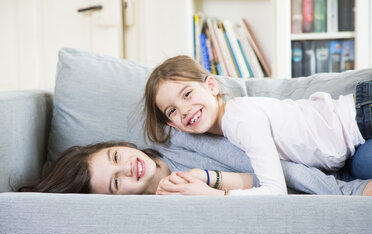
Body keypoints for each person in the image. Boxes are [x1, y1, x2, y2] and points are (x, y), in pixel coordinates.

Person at [144, 55, 372, 195]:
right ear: (172, 124)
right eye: (172, 110)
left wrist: (209, 193)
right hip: (355, 145)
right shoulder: (228, 131)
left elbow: (275, 191)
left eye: (187, 94)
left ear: (211, 86)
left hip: (361, 115)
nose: (184, 110)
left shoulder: (240, 119)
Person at [18, 141, 253, 196]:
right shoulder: (165, 206)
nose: (127, 168)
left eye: (116, 156)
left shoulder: (178, 140)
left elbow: (268, 179)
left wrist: (207, 178)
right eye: (116, 182)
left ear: (120, 144)